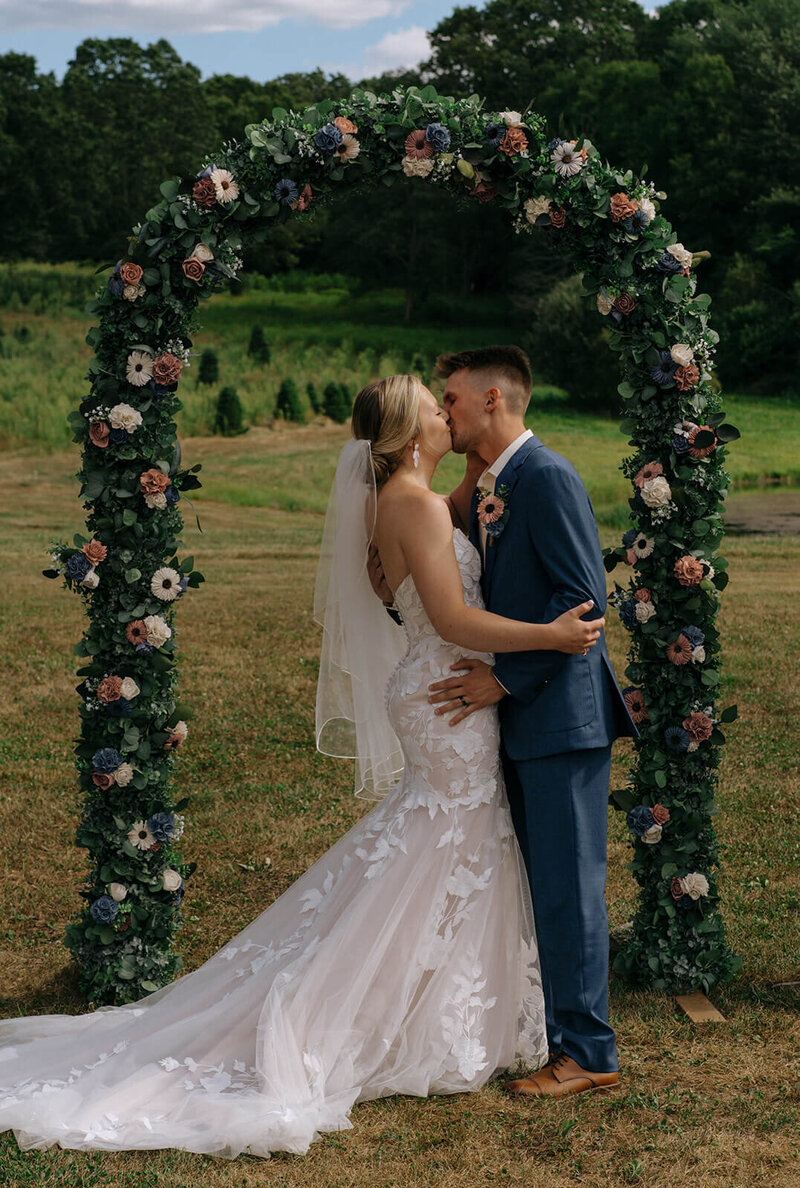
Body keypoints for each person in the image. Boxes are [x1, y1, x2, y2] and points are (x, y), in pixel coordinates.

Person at [0, 374, 604, 1160]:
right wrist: (552, 637)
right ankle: (362, 1013)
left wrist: (467, 470)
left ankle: (451, 1009)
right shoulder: (414, 504)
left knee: (447, 847)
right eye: (433, 404)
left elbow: (438, 547)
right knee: (445, 845)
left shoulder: (409, 496)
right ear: (411, 431)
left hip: (439, 693)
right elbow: (454, 617)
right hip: (449, 696)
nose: (444, 409)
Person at [374, 346, 637, 1098]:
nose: (445, 411)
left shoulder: (545, 475)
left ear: (493, 400)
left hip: (559, 716)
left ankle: (588, 1055)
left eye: (451, 398)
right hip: (521, 717)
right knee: (543, 883)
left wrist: (503, 677)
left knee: (569, 888)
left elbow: (584, 602)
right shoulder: (493, 483)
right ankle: (557, 1034)